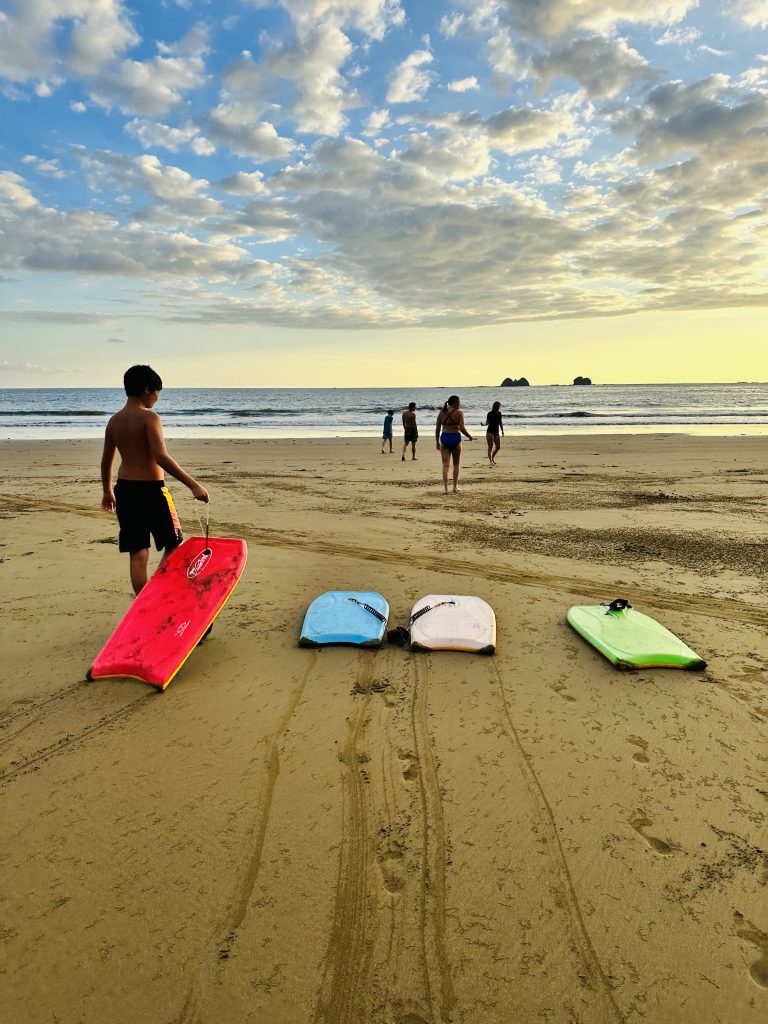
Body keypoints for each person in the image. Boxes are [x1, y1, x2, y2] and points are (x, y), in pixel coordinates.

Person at [100, 364, 209, 596]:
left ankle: (144, 600)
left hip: (125, 491)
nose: (157, 398)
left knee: (138, 552)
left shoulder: (114, 421)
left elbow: (106, 462)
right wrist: (194, 485)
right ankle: (157, 591)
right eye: (158, 392)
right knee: (173, 542)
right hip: (153, 492)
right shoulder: (150, 418)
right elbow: (161, 457)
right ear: (148, 389)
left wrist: (108, 491)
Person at [436, 395, 473, 494]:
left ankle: (445, 489)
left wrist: (436, 442)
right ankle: (455, 487)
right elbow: (461, 428)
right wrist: (469, 436)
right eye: (458, 402)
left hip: (444, 438)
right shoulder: (459, 413)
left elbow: (437, 429)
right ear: (454, 402)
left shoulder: (441, 413)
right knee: (456, 464)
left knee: (445, 465)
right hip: (455, 438)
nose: (459, 404)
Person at [482, 401, 504, 466]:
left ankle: (492, 458)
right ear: (495, 407)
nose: (499, 408)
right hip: (490, 432)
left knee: (498, 447)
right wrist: (483, 424)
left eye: (499, 407)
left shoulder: (499, 413)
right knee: (490, 447)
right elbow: (487, 423)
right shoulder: (490, 413)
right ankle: (490, 461)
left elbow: (500, 423)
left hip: (496, 432)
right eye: (498, 407)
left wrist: (502, 431)